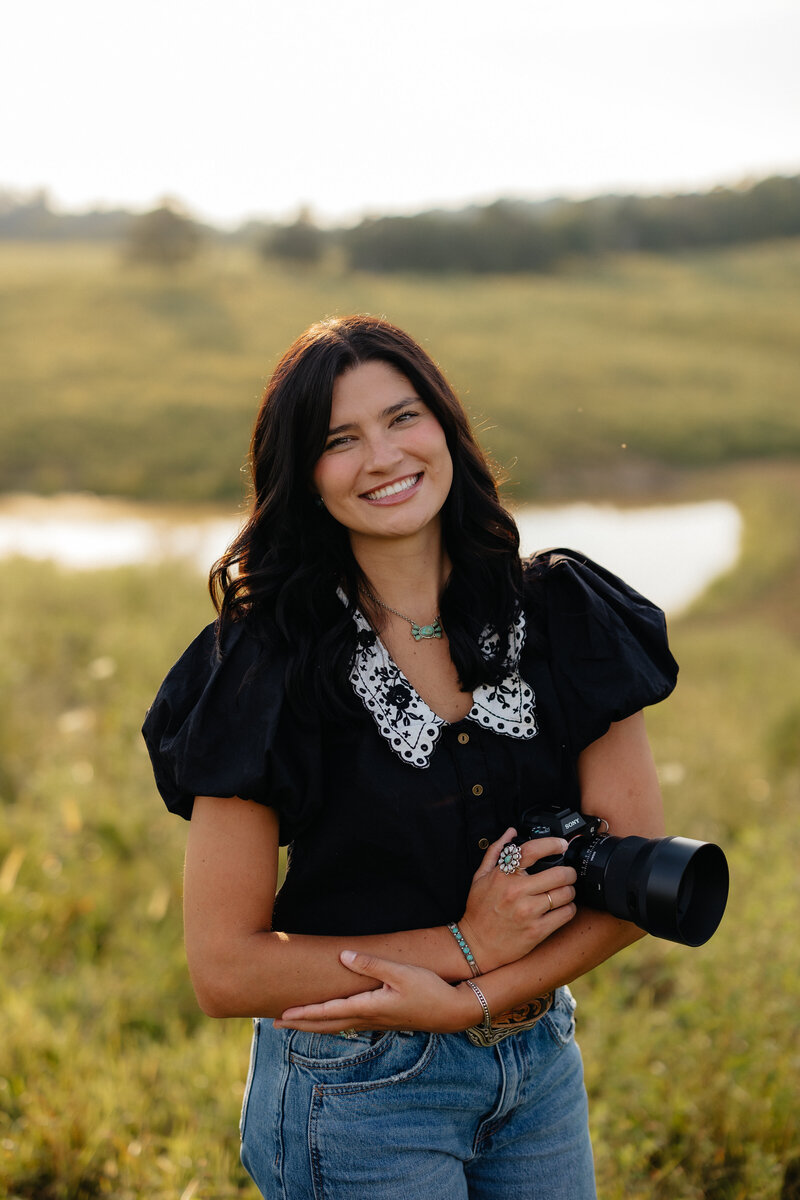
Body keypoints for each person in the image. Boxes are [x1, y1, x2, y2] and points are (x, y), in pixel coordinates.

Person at [142, 315, 678, 1199]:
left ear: (446, 428)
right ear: (303, 477)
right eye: (339, 440)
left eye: (403, 418)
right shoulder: (264, 663)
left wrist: (472, 998)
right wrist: (463, 945)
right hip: (356, 1093)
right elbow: (224, 966)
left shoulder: (563, 617)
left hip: (537, 1068)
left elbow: (634, 884)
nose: (383, 457)